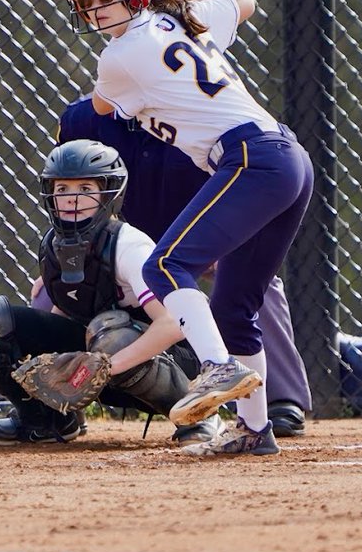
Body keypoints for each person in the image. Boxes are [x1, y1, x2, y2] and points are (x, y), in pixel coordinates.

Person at [65, 0, 314, 456]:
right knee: (235, 306)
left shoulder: (118, 57)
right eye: (87, 1)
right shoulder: (190, 21)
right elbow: (243, 1)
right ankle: (253, 430)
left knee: (163, 268)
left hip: (249, 157)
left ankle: (218, 367)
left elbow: (102, 107)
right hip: (287, 159)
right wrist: (182, 13)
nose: (97, 10)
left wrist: (164, 19)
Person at [51, 96, 311, 438]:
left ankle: (279, 399)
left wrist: (238, 231)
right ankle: (53, 410)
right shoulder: (86, 116)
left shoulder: (201, 108)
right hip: (124, 242)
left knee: (251, 283)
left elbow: (253, 183)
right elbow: (65, 190)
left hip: (212, 231)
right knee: (54, 288)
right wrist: (63, 259)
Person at [0, 138, 224, 446]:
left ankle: (198, 413)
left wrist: (102, 368)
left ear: (108, 194)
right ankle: (48, 419)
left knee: (110, 330)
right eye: (62, 190)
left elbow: (173, 324)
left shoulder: (129, 246)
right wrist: (58, 374)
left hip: (176, 363)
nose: (72, 200)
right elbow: (68, 314)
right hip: (106, 356)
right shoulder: (53, 244)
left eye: (85, 190)